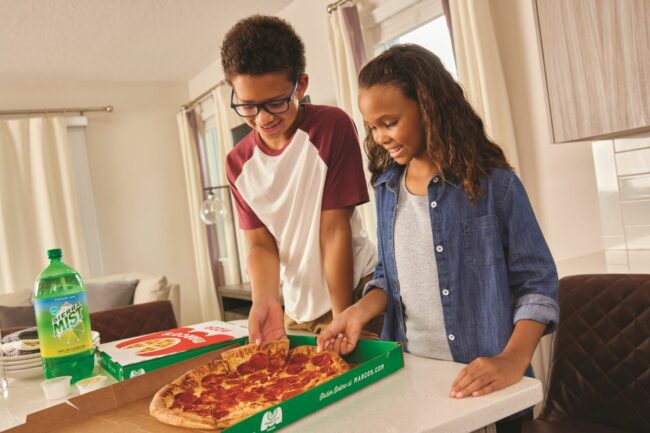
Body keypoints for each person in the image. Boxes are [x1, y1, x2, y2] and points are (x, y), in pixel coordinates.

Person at [316, 44, 559, 433]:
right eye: (372, 126)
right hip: (414, 385)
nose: (379, 137)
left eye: (390, 122)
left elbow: (537, 284)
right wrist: (356, 313)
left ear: (428, 107)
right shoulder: (386, 191)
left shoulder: (496, 185)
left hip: (485, 387)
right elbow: (388, 277)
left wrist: (513, 360)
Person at [221, 16, 377, 348]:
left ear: (300, 85)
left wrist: (342, 315)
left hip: (354, 292)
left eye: (276, 102)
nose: (262, 118)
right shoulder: (237, 163)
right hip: (297, 309)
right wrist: (265, 301)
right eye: (248, 106)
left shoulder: (331, 127)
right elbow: (260, 245)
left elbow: (334, 230)